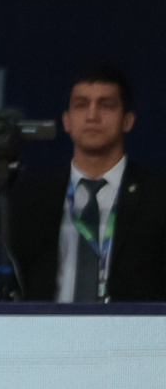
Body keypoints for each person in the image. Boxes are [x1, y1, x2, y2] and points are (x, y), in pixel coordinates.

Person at [11, 66, 165, 304]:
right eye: (81, 105)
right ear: (67, 121)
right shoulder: (33, 197)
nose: (92, 116)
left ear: (127, 120)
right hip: (47, 335)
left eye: (106, 105)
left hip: (135, 336)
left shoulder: (157, 195)